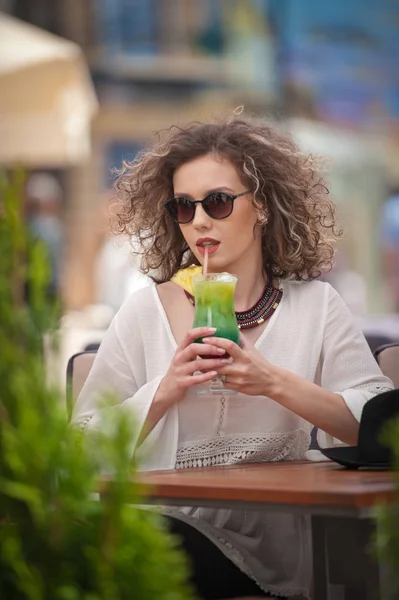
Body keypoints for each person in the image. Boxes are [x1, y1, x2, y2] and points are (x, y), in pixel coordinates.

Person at [71, 115, 393, 600]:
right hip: (168, 523)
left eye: (217, 202)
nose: (199, 220)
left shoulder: (316, 307)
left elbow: (382, 428)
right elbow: (77, 449)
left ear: (261, 206)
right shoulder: (146, 309)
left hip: (282, 540)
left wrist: (272, 381)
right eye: (184, 207)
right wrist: (163, 392)